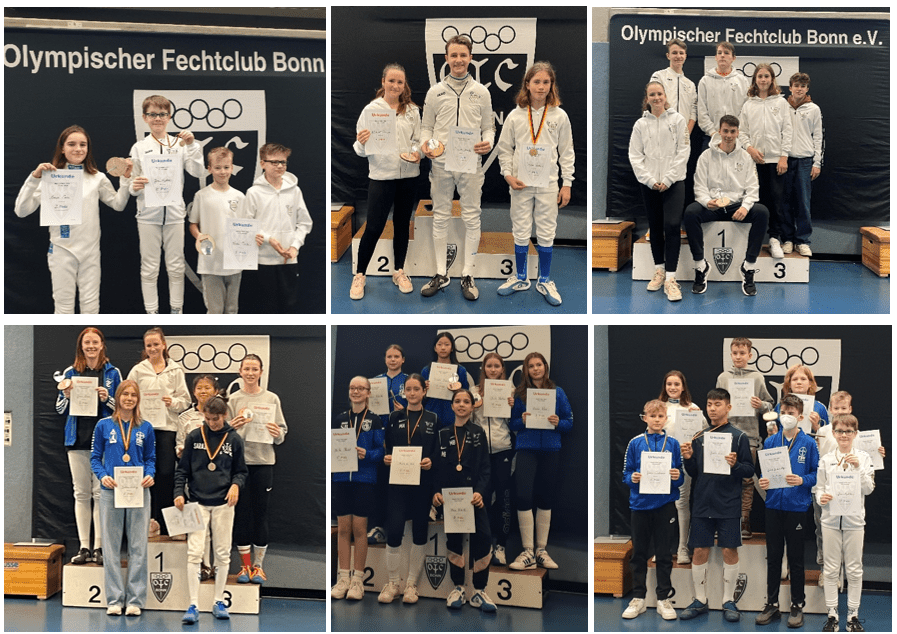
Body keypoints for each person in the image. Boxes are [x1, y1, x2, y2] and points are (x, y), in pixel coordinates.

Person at [14, 125, 130, 313]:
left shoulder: (97, 178)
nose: (78, 149)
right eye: (72, 144)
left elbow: (118, 204)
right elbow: (21, 211)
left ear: (88, 148)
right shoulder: (49, 177)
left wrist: (125, 179)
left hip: (90, 251)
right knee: (63, 307)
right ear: (62, 148)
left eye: (83, 144)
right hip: (61, 249)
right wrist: (35, 177)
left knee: (91, 308)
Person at [420, 34, 495, 301]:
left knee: (471, 217)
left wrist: (487, 141)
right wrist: (425, 145)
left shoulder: (481, 92)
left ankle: (468, 274)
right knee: (440, 216)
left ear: (470, 57)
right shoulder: (435, 92)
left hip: (470, 164)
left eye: (463, 55)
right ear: (446, 58)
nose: (459, 60)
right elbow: (426, 128)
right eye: (454, 55)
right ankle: (441, 273)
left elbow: (489, 126)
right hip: (440, 163)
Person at [495, 61, 574, 306]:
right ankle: (520, 277)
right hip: (520, 183)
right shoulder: (516, 116)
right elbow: (504, 149)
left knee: (547, 230)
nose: (541, 87)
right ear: (527, 84)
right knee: (520, 228)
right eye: (536, 82)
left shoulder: (559, 115)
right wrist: (507, 174)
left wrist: (567, 183)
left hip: (548, 183)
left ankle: (545, 279)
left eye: (546, 82)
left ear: (552, 86)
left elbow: (567, 151)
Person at [679, 388, 754, 623]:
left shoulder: (739, 437)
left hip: (728, 504)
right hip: (702, 503)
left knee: (729, 550)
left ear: (728, 407)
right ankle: (700, 600)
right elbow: (693, 472)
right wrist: (689, 457)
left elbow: (749, 471)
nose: (712, 408)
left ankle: (728, 601)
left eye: (718, 404)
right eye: (709, 404)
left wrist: (734, 465)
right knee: (700, 550)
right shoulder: (699, 436)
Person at [125, 95, 205, 314]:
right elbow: (132, 184)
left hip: (175, 215)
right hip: (147, 215)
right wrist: (135, 187)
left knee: (176, 267)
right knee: (149, 268)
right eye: (152, 114)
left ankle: (176, 312)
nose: (157, 118)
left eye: (162, 114)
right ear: (144, 117)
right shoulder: (139, 147)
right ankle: (151, 313)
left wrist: (192, 146)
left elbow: (198, 172)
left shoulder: (180, 144)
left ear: (169, 117)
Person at [350, 63, 421, 300]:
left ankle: (399, 271)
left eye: (400, 82)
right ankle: (360, 275)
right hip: (381, 178)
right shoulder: (371, 110)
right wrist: (361, 141)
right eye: (391, 81)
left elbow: (417, 140)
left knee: (402, 225)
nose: (395, 85)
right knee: (374, 227)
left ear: (404, 85)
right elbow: (359, 150)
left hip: (408, 177)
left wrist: (416, 152)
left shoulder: (412, 110)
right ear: (383, 82)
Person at [176, 394, 247, 624]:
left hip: (224, 503)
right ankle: (193, 604)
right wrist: (178, 493)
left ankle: (218, 600)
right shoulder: (195, 436)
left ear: (224, 415)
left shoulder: (234, 439)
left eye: (215, 419)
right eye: (207, 418)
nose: (211, 423)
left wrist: (236, 485)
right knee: (194, 553)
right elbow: (182, 469)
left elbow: (241, 471)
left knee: (223, 552)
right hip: (196, 501)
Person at [56, 327, 122, 565]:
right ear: (81, 346)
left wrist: (108, 398)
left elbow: (123, 409)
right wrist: (68, 396)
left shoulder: (113, 373)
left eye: (95, 342)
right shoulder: (70, 372)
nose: (91, 346)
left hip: (104, 442)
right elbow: (59, 409)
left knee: (100, 494)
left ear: (102, 344)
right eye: (87, 343)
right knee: (81, 494)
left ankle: (99, 547)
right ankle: (84, 546)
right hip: (77, 439)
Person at [683, 115, 770, 297]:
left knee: (761, 212)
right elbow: (699, 186)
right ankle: (701, 267)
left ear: (738, 133)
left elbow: (753, 187)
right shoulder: (706, 156)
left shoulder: (746, 157)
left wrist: (745, 207)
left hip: (736, 207)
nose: (728, 135)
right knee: (691, 212)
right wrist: (707, 202)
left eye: (732, 131)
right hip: (712, 207)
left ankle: (748, 267)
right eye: (725, 131)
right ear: (719, 131)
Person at [90, 380, 156, 616]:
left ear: (138, 399)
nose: (129, 398)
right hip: (111, 490)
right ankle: (115, 599)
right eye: (125, 394)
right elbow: (95, 458)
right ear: (117, 397)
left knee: (138, 546)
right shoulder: (103, 425)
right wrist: (102, 476)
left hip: (138, 491)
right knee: (111, 546)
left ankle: (136, 600)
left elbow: (150, 458)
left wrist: (150, 475)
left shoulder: (145, 427)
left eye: (133, 395)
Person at [755, 395, 819, 628]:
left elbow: (816, 474)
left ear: (800, 416)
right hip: (773, 505)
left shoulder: (809, 443)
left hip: (796, 507)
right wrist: (763, 481)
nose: (787, 416)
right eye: (784, 411)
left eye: (792, 412)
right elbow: (766, 473)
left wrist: (802, 479)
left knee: (796, 558)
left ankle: (797, 604)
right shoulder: (771, 441)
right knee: (773, 557)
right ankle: (771, 603)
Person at [432, 389, 497, 612]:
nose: (461, 405)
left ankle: (479, 590)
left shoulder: (478, 433)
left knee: (484, 537)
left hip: (473, 498)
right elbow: (436, 469)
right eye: (457, 401)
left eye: (466, 402)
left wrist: (480, 492)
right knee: (454, 541)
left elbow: (486, 468)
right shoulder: (442, 434)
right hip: (451, 499)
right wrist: (437, 492)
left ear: (472, 406)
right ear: (451, 406)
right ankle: (458, 587)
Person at [508, 352, 573, 571]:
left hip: (551, 449)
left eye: (539, 365)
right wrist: (522, 420)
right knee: (523, 496)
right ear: (525, 370)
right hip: (527, 448)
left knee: (545, 497)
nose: (536, 369)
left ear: (545, 367)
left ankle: (541, 550)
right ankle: (527, 551)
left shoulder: (557, 392)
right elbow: (513, 424)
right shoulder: (520, 393)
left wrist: (557, 422)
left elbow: (569, 422)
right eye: (531, 366)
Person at [227, 353, 288, 584]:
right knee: (241, 514)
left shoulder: (271, 398)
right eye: (247, 369)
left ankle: (258, 567)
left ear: (261, 372)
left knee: (261, 514)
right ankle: (244, 568)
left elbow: (282, 432)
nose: (251, 373)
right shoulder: (233, 399)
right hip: (239, 465)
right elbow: (224, 435)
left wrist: (277, 433)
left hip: (263, 463)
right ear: (240, 372)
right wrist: (231, 427)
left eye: (255, 369)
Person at [621, 399, 684, 621]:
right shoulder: (635, 443)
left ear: (666, 418)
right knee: (639, 553)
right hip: (640, 506)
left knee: (665, 554)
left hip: (665, 507)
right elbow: (626, 473)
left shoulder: (673, 443)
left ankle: (663, 598)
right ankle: (638, 598)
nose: (657, 420)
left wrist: (677, 477)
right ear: (645, 418)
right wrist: (633, 478)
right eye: (653, 416)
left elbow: (680, 476)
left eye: (660, 416)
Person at [378, 374, 438, 604]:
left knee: (420, 532)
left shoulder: (433, 418)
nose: (412, 393)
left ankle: (411, 585)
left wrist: (431, 461)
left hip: (422, 483)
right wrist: (387, 458)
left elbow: (436, 451)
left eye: (417, 389)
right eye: (409, 389)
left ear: (424, 391)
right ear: (404, 392)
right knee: (394, 531)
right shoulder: (394, 417)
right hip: (397, 482)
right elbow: (387, 447)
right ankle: (393, 583)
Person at [628, 81, 690, 301]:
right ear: (647, 98)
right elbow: (635, 156)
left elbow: (683, 152)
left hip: (674, 183)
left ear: (665, 96)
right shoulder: (640, 125)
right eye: (652, 94)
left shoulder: (678, 120)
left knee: (672, 225)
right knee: (655, 226)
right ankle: (659, 271)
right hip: (650, 185)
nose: (656, 98)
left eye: (659, 94)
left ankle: (671, 279)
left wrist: (668, 179)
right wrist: (650, 180)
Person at [127, 327, 190, 537]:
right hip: (143, 430)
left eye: (156, 344)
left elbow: (186, 401)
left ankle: (171, 524)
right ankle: (151, 522)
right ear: (145, 348)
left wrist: (172, 402)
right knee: (146, 477)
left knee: (166, 475)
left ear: (164, 345)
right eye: (149, 345)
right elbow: (127, 395)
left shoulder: (175, 370)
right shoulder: (138, 370)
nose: (153, 348)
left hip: (167, 430)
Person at [816, 415, 875, 632]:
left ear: (855, 434)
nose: (844, 435)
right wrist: (820, 498)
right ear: (833, 433)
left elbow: (869, 488)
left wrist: (858, 467)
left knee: (854, 569)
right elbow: (819, 488)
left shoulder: (864, 458)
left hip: (854, 521)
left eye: (848, 432)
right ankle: (832, 614)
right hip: (830, 521)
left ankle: (852, 615)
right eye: (840, 431)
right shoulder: (826, 460)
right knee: (831, 569)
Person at [331, 376, 384, 601]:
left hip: (364, 478)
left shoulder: (376, 420)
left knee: (360, 529)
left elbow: (382, 452)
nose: (356, 391)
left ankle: (358, 580)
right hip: (342, 478)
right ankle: (343, 578)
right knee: (343, 529)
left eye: (361, 388)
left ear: (369, 392)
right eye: (352, 388)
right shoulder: (340, 418)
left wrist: (367, 454)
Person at [244, 143, 313, 313]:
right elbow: (245, 225)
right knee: (267, 307)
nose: (280, 166)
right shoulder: (253, 193)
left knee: (290, 307)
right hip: (263, 261)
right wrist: (269, 240)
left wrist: (295, 246)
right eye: (274, 162)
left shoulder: (295, 191)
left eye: (283, 162)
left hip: (288, 259)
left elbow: (305, 223)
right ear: (262, 164)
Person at [715, 336, 773, 539]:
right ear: (730, 354)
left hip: (749, 437)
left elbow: (770, 405)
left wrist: (761, 405)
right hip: (725, 436)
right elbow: (716, 403)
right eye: (735, 353)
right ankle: (724, 519)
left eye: (742, 353)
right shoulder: (723, 377)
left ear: (750, 355)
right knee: (723, 479)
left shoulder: (757, 378)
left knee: (747, 481)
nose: (738, 357)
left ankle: (744, 520)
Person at [738, 63, 793, 259]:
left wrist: (783, 156)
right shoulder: (748, 104)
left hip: (776, 161)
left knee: (776, 201)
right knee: (753, 200)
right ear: (755, 80)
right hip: (753, 161)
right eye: (759, 76)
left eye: (766, 76)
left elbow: (787, 130)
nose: (763, 80)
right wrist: (749, 148)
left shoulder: (781, 103)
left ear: (772, 79)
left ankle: (775, 238)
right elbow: (742, 132)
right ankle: (754, 238)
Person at [470, 353, 516, 566]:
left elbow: (514, 423)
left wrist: (512, 407)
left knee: (505, 498)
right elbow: (467, 420)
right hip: (480, 452)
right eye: (489, 366)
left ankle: (501, 546)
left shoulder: (510, 391)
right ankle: (485, 545)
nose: (493, 369)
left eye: (497, 366)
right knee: (483, 499)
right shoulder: (473, 393)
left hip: (503, 450)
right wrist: (474, 408)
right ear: (483, 369)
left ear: (502, 369)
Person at [187, 147, 245, 314]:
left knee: (232, 309)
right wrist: (199, 236)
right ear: (209, 169)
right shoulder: (202, 196)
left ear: (232, 168)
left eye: (226, 167)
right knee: (215, 309)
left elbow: (245, 227)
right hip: (210, 263)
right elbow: (193, 224)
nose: (222, 172)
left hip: (234, 262)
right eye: (218, 167)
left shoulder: (240, 197)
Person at [658, 370, 705, 563]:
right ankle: (661, 549)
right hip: (661, 462)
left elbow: (704, 433)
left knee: (682, 503)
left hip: (684, 461)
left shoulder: (693, 408)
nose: (673, 388)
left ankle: (683, 548)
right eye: (669, 384)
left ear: (683, 386)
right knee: (660, 505)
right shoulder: (659, 406)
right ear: (665, 386)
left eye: (676, 384)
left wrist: (698, 418)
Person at [367, 344, 410, 545]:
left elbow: (419, 405)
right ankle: (377, 526)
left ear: (403, 359)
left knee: (397, 486)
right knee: (379, 483)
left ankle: (396, 527)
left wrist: (406, 409)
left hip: (401, 438)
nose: (392, 360)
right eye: (389, 356)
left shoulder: (409, 381)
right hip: (378, 437)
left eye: (396, 356)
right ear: (385, 359)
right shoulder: (375, 382)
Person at [781, 73, 823, 257]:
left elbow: (819, 137)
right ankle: (788, 239)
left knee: (803, 203)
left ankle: (803, 240)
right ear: (790, 87)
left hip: (805, 161)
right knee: (785, 201)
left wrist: (817, 163)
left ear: (807, 89)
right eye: (796, 85)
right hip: (785, 159)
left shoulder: (813, 109)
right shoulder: (782, 106)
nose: (799, 89)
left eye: (803, 86)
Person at [697, 42, 749, 152]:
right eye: (719, 53)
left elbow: (746, 111)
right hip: (711, 137)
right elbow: (702, 113)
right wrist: (714, 133)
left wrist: (733, 131)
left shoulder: (742, 81)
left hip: (736, 138)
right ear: (715, 57)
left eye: (726, 53)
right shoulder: (705, 81)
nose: (722, 55)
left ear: (733, 58)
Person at [420, 332, 470, 428]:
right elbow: (420, 399)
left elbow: (467, 397)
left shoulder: (460, 370)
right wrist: (423, 390)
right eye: (439, 344)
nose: (443, 348)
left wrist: (458, 391)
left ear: (452, 348)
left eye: (447, 344)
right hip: (430, 418)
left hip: (454, 418)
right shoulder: (426, 370)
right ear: (435, 348)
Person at [650, 39, 697, 136]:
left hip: (683, 135)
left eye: (681, 53)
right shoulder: (659, 76)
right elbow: (654, 102)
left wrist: (686, 133)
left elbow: (693, 111)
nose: (678, 56)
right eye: (674, 53)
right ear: (668, 56)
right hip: (661, 133)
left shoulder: (690, 84)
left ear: (685, 56)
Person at [773, 364, 830, 431]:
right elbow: (774, 434)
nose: (799, 382)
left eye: (803, 379)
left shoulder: (820, 407)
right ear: (789, 384)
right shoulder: (780, 406)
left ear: (810, 384)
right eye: (794, 379)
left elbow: (828, 437)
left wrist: (816, 427)